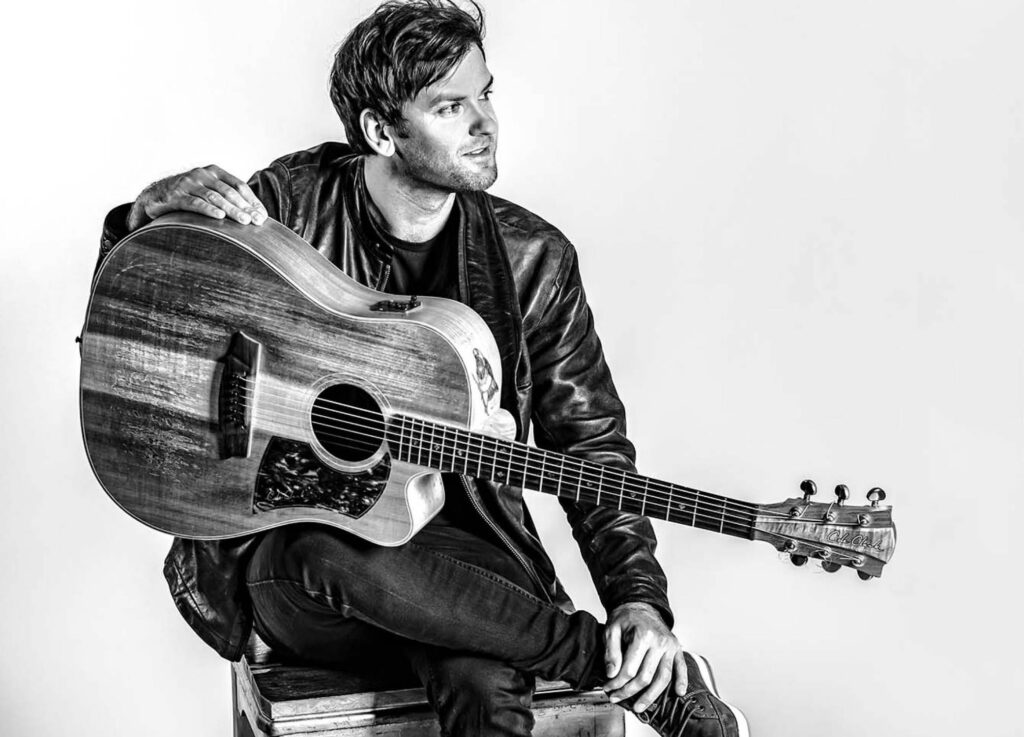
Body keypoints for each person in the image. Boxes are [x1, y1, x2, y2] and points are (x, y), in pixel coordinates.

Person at [96, 2, 749, 736]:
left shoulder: (535, 261)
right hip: (302, 568)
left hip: (469, 565)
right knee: (328, 549)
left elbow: (590, 442)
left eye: (485, 94)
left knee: (483, 680)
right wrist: (139, 219)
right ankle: (596, 661)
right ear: (381, 132)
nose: (485, 122)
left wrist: (638, 600)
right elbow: (142, 328)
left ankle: (598, 661)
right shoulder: (288, 210)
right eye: (449, 107)